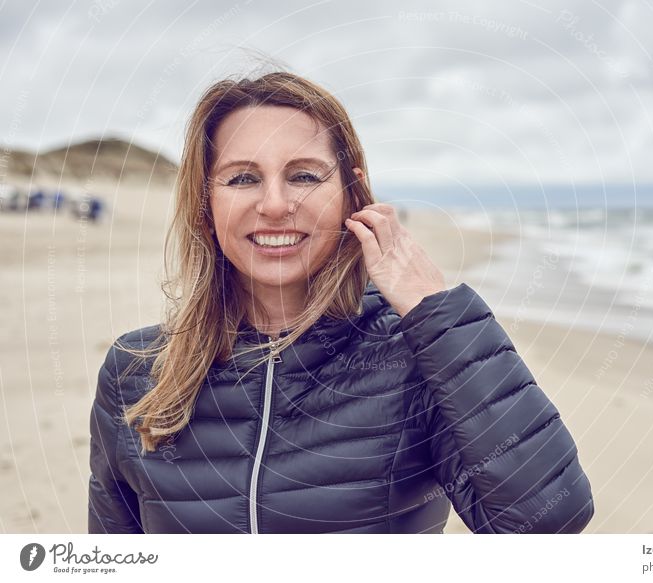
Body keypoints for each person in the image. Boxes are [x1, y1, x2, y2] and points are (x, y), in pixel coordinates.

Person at [87, 69, 594, 534]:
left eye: (305, 175)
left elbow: (548, 522)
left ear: (352, 195)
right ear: (205, 203)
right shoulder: (135, 372)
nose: (276, 205)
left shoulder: (416, 358)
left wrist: (436, 313)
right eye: (243, 177)